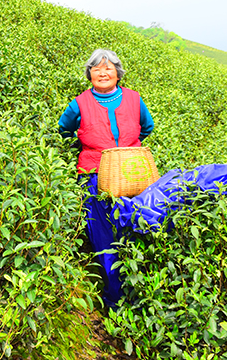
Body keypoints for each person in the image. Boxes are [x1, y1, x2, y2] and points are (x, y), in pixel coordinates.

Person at [57, 49, 154, 306]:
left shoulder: (134, 99)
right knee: (103, 233)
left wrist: (127, 151)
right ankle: (114, 296)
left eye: (109, 68)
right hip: (94, 173)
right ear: (89, 74)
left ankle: (139, 291)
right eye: (97, 68)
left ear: (118, 74)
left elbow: (148, 127)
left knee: (133, 228)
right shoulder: (79, 103)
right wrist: (85, 148)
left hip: (132, 173)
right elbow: (63, 129)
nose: (103, 73)